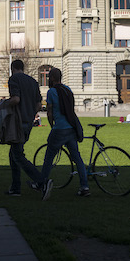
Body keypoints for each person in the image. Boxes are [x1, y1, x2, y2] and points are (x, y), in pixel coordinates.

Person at [39, 67, 89, 197]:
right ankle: (84, 186)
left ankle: (41, 183)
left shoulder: (51, 92)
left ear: (53, 78)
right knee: (77, 158)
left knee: (49, 157)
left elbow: (49, 112)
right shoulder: (68, 89)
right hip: (71, 128)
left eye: (50, 76)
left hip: (59, 128)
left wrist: (52, 125)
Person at [4, 59, 49, 198]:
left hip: (17, 122)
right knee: (14, 154)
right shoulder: (33, 82)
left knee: (18, 155)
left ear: (13, 68)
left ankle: (42, 181)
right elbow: (38, 105)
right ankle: (16, 188)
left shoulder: (14, 79)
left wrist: (4, 104)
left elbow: (16, 99)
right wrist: (30, 115)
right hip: (28, 122)